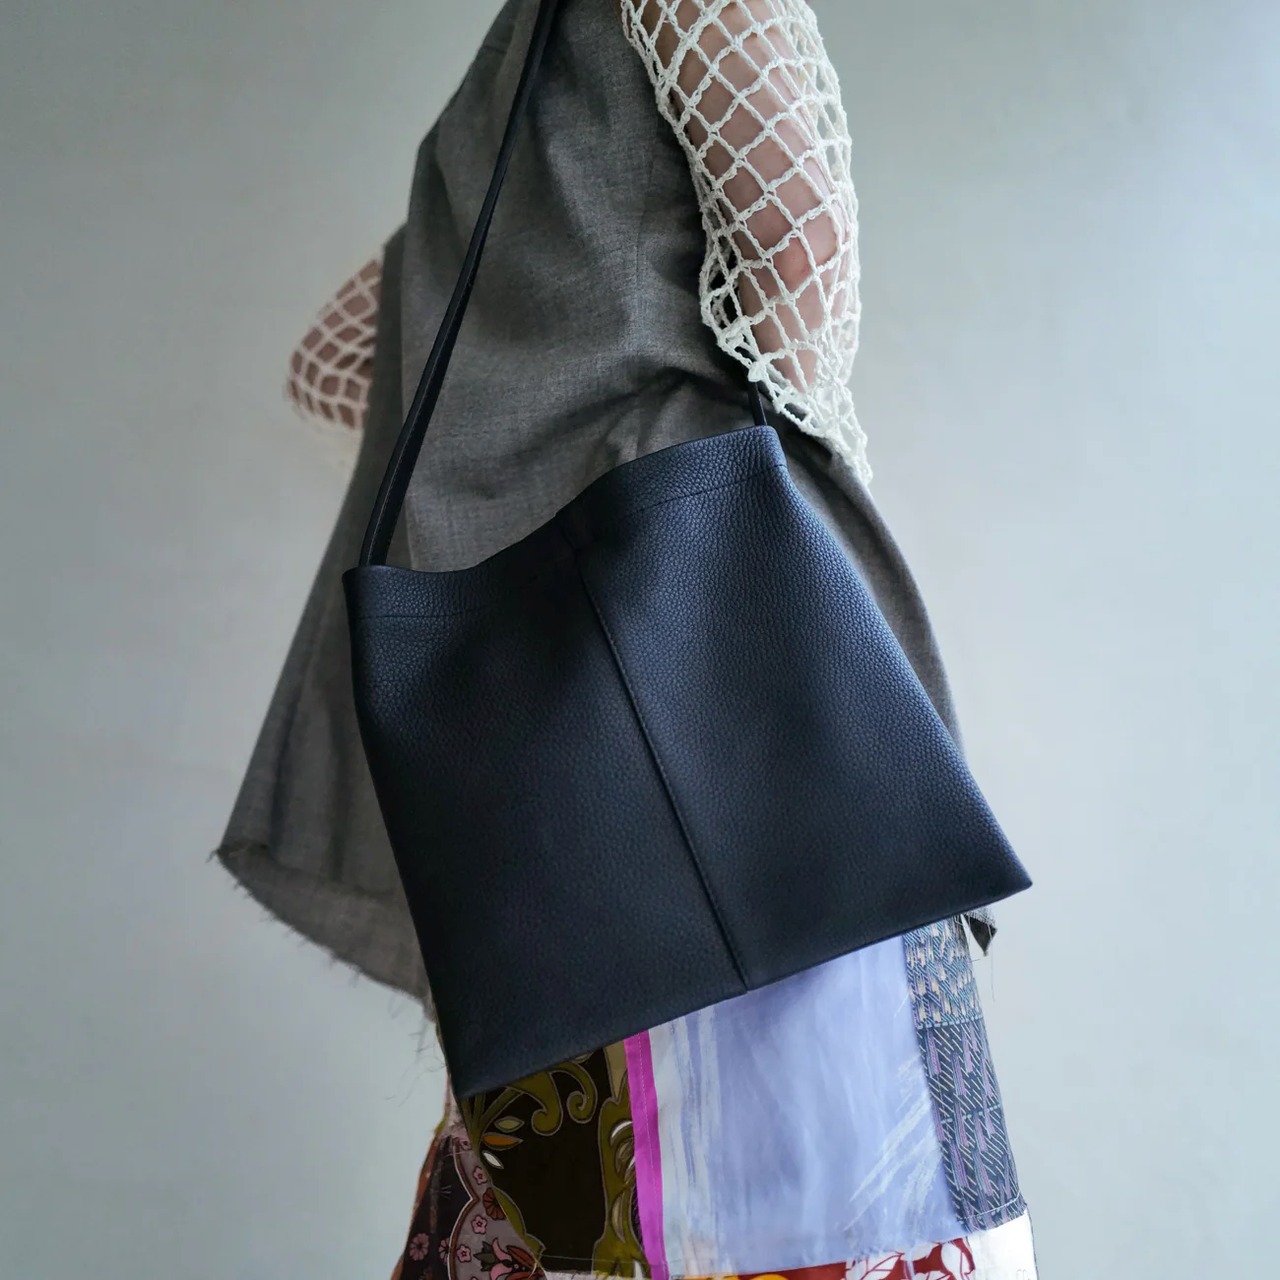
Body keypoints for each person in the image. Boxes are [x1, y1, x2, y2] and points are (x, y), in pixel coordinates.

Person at [217, 2, 1038, 1277]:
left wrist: (506, 460)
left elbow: (327, 367)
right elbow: (797, 264)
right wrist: (763, 505)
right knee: (853, 1163)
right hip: (748, 735)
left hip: (551, 804)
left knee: (570, 1196)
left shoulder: (501, 103)